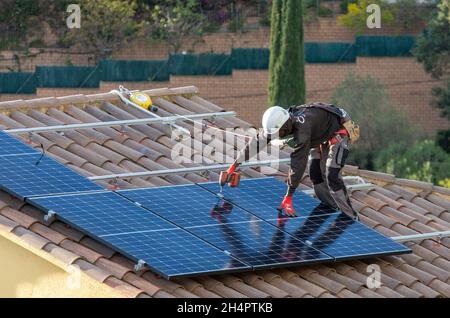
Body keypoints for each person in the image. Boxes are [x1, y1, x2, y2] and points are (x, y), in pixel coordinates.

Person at [223, 102, 360, 220]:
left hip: (338, 127)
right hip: (319, 133)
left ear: (285, 126)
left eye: (277, 133)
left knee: (332, 174)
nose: (274, 136)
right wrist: (234, 165)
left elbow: (298, 163)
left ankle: (351, 217)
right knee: (316, 175)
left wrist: (289, 196)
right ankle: (333, 208)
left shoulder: (303, 130)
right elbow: (256, 143)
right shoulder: (280, 124)